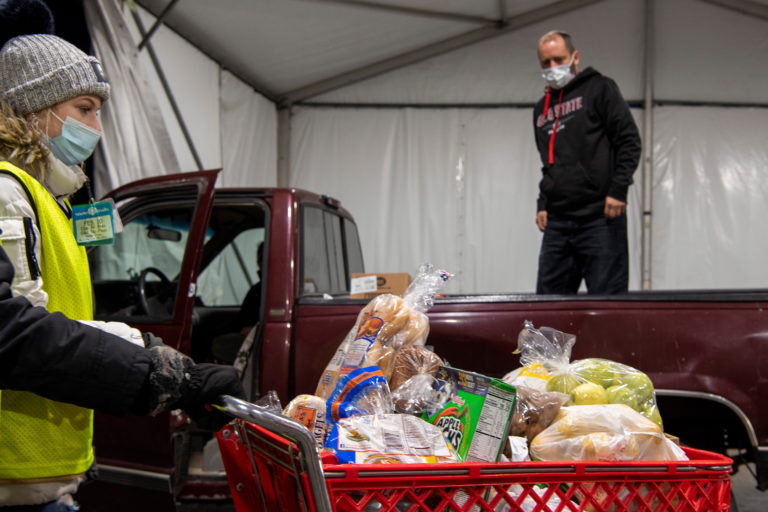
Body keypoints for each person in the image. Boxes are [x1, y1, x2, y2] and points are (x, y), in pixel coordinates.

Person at [0, 245, 244, 421]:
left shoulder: (52, 197)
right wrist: (169, 375)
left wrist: (146, 353)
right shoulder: (12, 190)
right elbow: (13, 332)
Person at [532, 31, 641, 295]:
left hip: (600, 217)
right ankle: (553, 339)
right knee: (549, 303)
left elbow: (629, 141)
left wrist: (618, 190)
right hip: (558, 220)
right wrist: (543, 202)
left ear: (575, 57)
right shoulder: (541, 110)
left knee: (607, 304)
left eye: (558, 59)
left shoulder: (600, 88)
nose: (552, 67)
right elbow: (549, 162)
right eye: (546, 63)